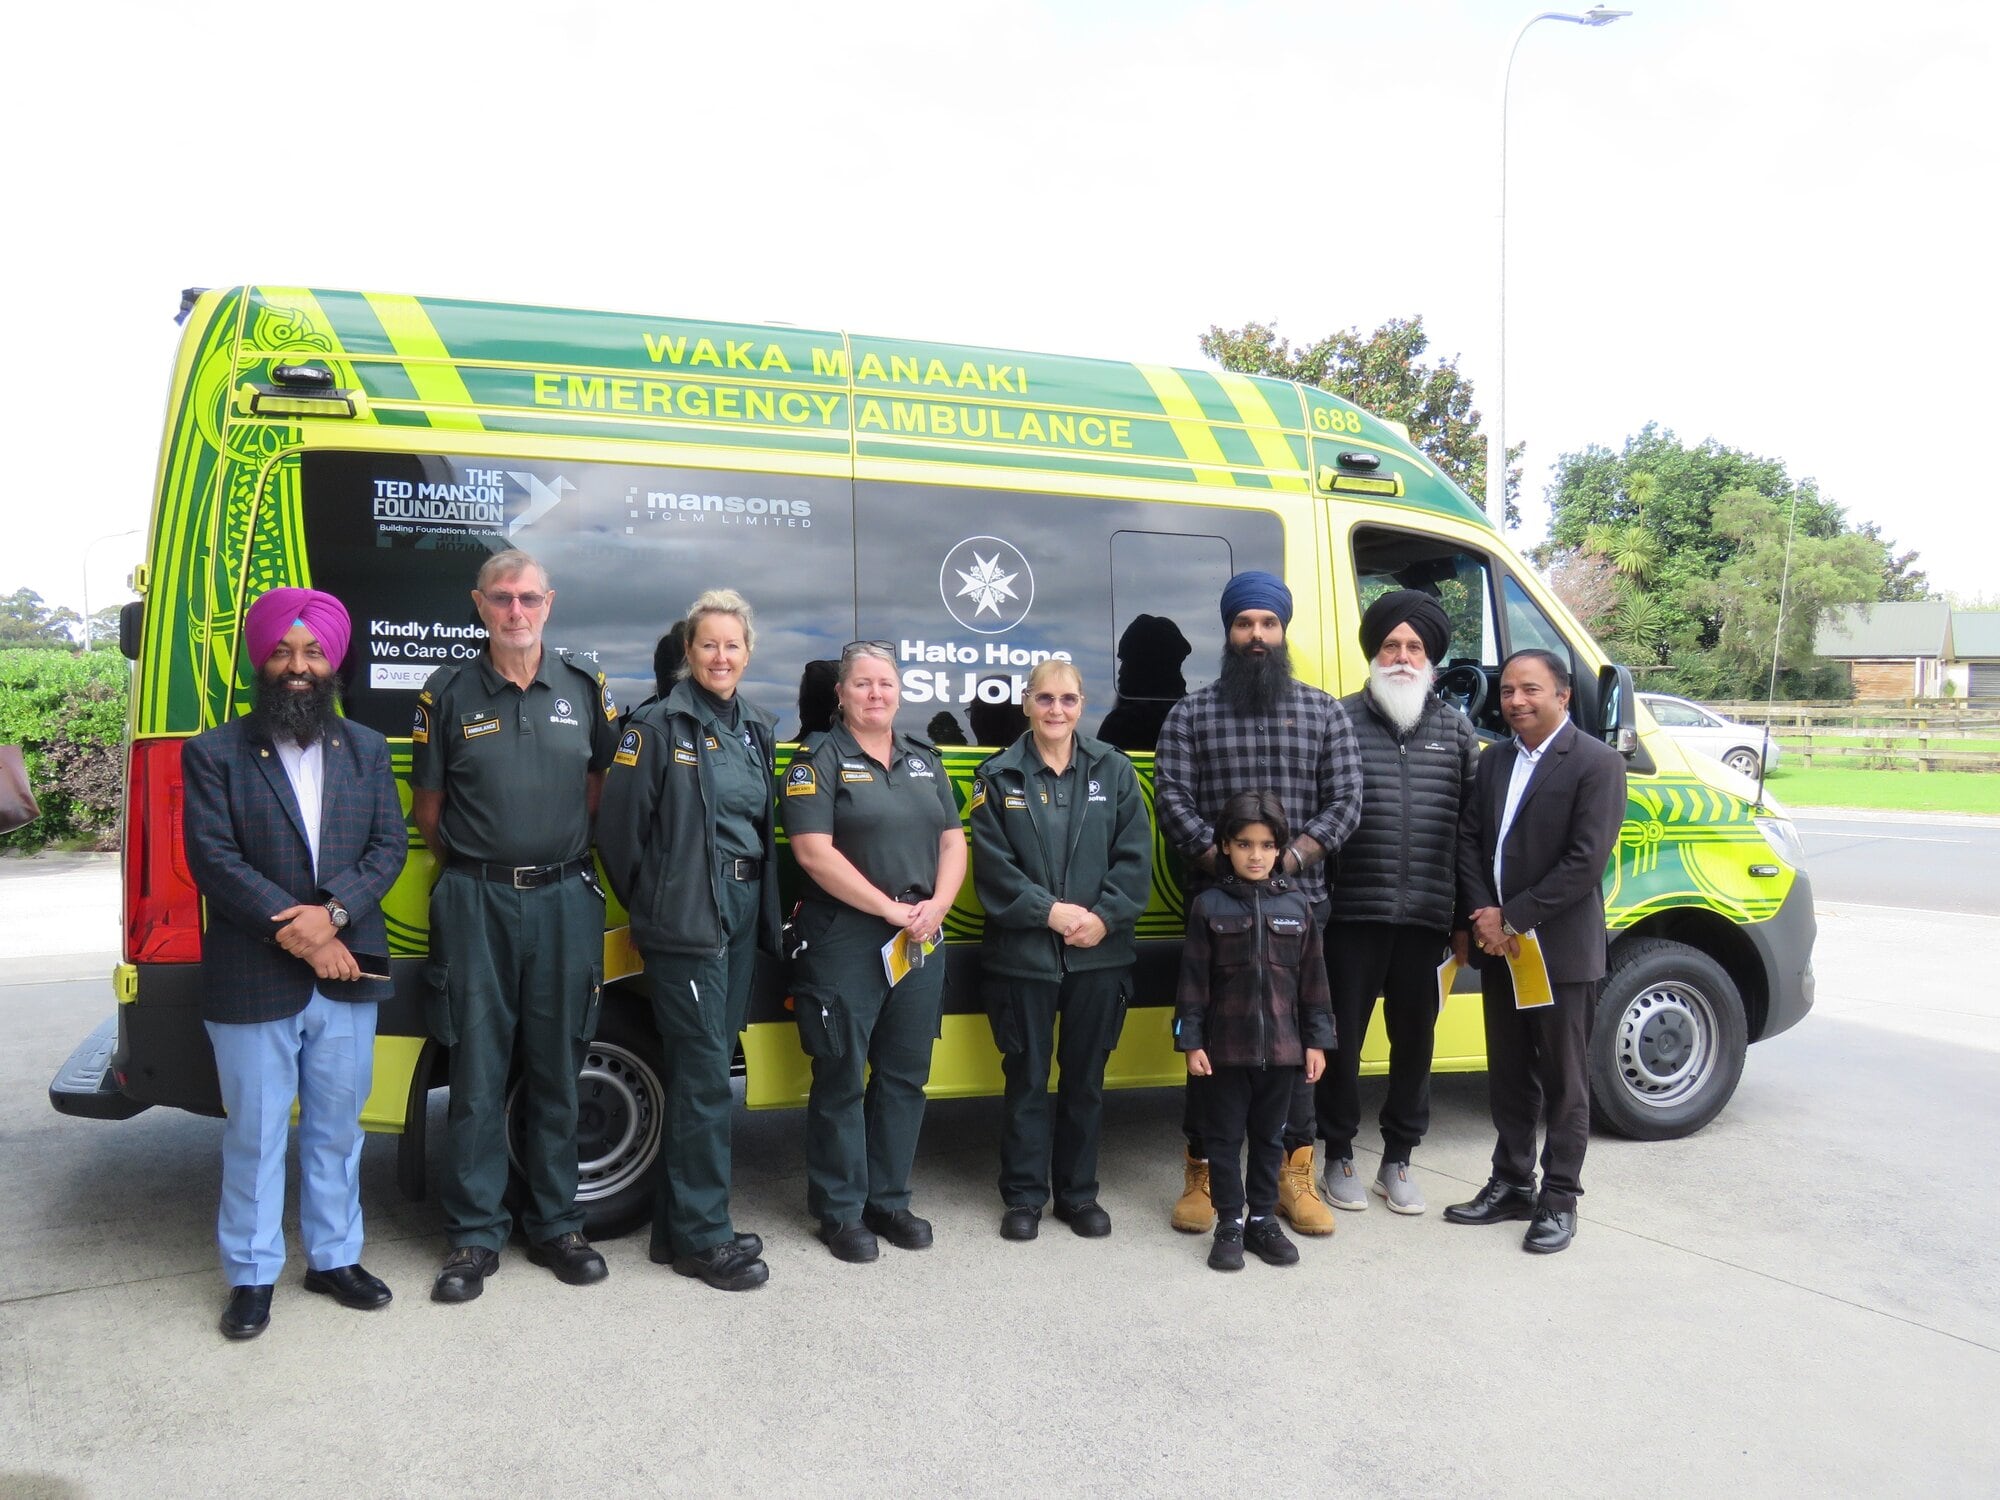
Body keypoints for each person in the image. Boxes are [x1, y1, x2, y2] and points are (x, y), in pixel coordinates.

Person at [180, 587, 406, 1340]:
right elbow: (214, 861)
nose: (298, 666)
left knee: (339, 1128)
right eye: (283, 650)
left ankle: (335, 1258)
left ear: (333, 662)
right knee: (256, 1133)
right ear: (261, 659)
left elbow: (388, 850)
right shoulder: (214, 752)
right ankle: (251, 1274)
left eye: (312, 652)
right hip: (253, 976)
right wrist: (310, 935)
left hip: (344, 973)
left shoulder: (367, 750)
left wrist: (333, 915)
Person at [410, 549, 619, 1302]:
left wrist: (544, 858)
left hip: (565, 899)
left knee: (559, 1063)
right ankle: (472, 1237)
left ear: (550, 603)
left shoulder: (585, 686)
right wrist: (489, 866)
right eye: (502, 599)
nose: (516, 612)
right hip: (476, 902)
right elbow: (428, 812)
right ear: (479, 603)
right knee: (476, 1068)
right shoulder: (448, 692)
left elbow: (599, 791)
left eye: (530, 598)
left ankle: (558, 1224)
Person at [1154, 570, 1362, 1238]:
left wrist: (1289, 861)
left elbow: (1346, 802)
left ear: (1283, 630)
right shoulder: (1192, 713)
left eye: (1268, 624)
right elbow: (1172, 800)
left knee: (1295, 1048)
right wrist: (1225, 868)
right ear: (1228, 631)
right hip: (1216, 916)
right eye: (1244, 624)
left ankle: (1291, 1177)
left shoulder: (1323, 712)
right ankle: (1205, 1174)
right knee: (1211, 1048)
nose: (1256, 636)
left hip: (1302, 910)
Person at [599, 590, 778, 1292]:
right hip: (687, 919)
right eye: (709, 645)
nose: (722, 657)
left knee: (705, 1066)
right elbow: (618, 832)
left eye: (733, 645)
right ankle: (706, 1238)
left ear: (747, 653)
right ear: (688, 652)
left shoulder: (754, 728)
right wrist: (658, 906)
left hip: (738, 909)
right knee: (705, 1077)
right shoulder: (656, 726)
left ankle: (678, 1225)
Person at [780, 640, 967, 1263]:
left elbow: (952, 840)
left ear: (900, 690)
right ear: (841, 693)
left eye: (885, 683)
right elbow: (813, 852)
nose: (876, 694)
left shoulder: (922, 759)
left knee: (904, 1075)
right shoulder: (817, 761)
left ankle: (889, 1200)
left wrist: (938, 904)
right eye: (862, 684)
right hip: (846, 938)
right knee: (839, 1076)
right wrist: (889, 910)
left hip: (919, 935)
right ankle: (839, 1210)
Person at [1446, 648, 1627, 1255]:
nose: (1516, 701)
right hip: (1500, 949)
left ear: (1563, 696)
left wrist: (1512, 917)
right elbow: (1470, 840)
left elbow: (1585, 861)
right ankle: (1512, 1182)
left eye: (1530, 690)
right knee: (1509, 1073)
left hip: (1557, 953)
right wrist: (1482, 917)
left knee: (1564, 1081)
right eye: (1507, 692)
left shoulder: (1597, 764)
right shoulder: (1494, 759)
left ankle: (1559, 1199)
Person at [969, 660, 1152, 1241]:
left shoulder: (1115, 771)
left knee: (1085, 1080)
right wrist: (1048, 912)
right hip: (1022, 958)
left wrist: (1104, 917)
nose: (1056, 710)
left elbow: (1135, 857)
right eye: (1044, 698)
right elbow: (992, 868)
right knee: (1025, 1078)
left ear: (1082, 704)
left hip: (1100, 955)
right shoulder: (997, 776)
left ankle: (1077, 1195)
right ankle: (1023, 1198)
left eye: (1068, 699)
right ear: (1025, 703)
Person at [1315, 590, 1479, 1215]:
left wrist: (1463, 918)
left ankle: (1399, 1157)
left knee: (1416, 1044)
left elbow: (1470, 831)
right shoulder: (1339, 719)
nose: (1402, 657)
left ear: (1432, 657)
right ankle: (1338, 1154)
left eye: (1414, 647)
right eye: (1391, 645)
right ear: (1374, 653)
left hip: (1426, 921)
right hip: (1350, 916)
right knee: (1340, 1043)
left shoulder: (1457, 732)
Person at [1173, 791, 1333, 1271]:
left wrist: (1317, 1042)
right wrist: (1191, 1041)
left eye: (1266, 845)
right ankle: (1230, 1223)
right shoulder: (1208, 906)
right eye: (1244, 844)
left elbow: (1314, 984)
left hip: (1283, 1052)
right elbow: (1193, 983)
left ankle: (1263, 1219)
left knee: (1269, 1138)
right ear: (1225, 846)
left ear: (1279, 848)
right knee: (1222, 1138)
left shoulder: (1298, 906)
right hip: (1225, 1051)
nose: (1256, 855)